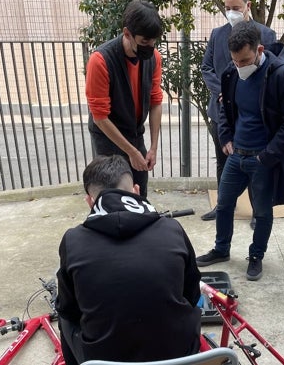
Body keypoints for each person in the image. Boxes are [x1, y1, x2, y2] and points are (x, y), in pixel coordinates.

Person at [55, 155, 201, 364]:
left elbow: (69, 309)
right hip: (179, 355)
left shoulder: (73, 240)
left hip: (103, 360)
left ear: (89, 201)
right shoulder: (172, 229)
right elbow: (192, 294)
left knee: (63, 316)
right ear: (136, 191)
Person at [195, 21, 284, 281]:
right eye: (235, 61)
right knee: (224, 205)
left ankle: (256, 256)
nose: (240, 66)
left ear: (259, 50)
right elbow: (225, 108)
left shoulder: (281, 76)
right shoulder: (231, 74)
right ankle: (221, 249)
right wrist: (225, 137)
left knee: (263, 212)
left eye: (245, 60)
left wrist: (268, 156)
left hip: (263, 159)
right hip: (237, 155)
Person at [200, 0, 277, 227]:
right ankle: (224, 206)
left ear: (247, 6)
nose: (231, 11)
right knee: (223, 160)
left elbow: (272, 73)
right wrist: (223, 92)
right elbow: (207, 68)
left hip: (252, 115)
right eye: (227, 7)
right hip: (221, 111)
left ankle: (258, 210)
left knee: (256, 165)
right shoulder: (217, 34)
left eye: (236, 7)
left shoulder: (266, 35)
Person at [85, 0, 164, 198]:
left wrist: (152, 147)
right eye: (145, 41)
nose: (150, 46)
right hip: (107, 138)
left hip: (135, 134)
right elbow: (100, 118)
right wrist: (130, 152)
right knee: (113, 196)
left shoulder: (153, 58)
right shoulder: (101, 60)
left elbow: (155, 102)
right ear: (127, 33)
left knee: (139, 193)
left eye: (154, 41)